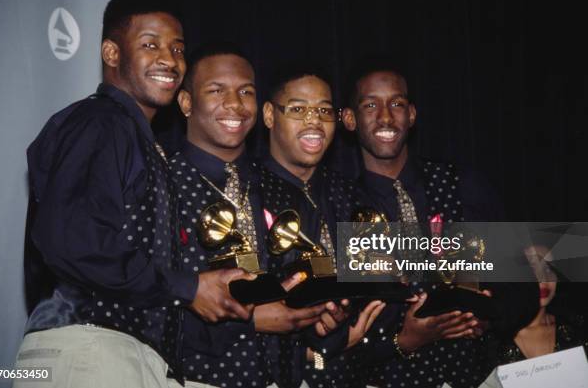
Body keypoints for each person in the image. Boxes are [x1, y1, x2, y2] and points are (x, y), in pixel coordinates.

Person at [15, 0, 250, 388]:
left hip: (123, 354)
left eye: (177, 48)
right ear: (111, 52)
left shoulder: (138, 139)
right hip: (88, 347)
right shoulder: (100, 122)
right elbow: (75, 240)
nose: (170, 59)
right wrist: (189, 287)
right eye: (150, 44)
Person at [170, 43, 342, 388]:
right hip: (192, 378)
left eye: (245, 91)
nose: (234, 103)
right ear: (186, 102)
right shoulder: (162, 181)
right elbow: (140, 295)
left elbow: (300, 312)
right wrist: (249, 320)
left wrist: (322, 319)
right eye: (217, 90)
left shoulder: (281, 191)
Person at [341, 63, 500, 387]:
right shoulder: (341, 206)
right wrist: (403, 342)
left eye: (397, 103)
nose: (385, 117)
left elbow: (518, 285)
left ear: (411, 114)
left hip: (474, 375)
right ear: (349, 119)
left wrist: (486, 316)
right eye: (371, 105)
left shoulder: (461, 183)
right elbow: (333, 343)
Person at [261, 64, 386, 387]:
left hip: (364, 374)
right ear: (270, 115)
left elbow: (384, 285)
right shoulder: (249, 192)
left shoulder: (353, 194)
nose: (313, 121)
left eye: (324, 110)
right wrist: (322, 348)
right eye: (298, 109)